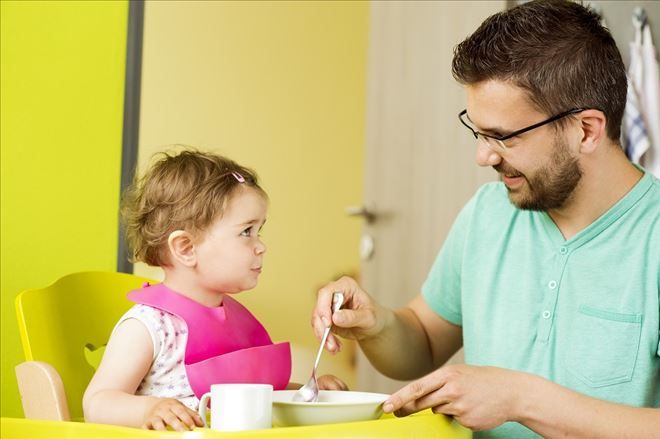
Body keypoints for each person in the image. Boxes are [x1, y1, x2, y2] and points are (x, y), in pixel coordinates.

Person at [312, 1, 659, 438]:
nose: (483, 156)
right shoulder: (488, 213)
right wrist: (377, 324)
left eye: (503, 137)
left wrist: (521, 399)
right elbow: (421, 341)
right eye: (477, 131)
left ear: (586, 130)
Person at [84, 150, 346, 431]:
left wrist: (308, 394)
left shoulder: (236, 322)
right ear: (186, 248)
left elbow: (252, 396)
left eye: (260, 231)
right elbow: (98, 402)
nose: (261, 246)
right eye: (246, 232)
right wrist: (150, 408)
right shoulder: (149, 326)